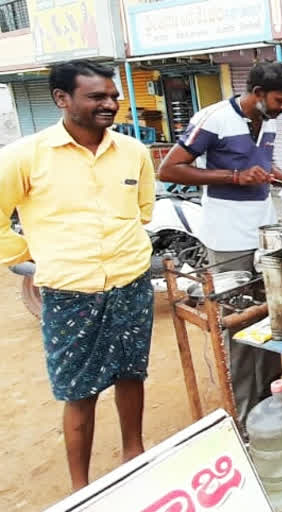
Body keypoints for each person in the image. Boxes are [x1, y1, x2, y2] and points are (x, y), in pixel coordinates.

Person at [0, 60, 156, 490]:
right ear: (62, 99)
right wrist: (31, 251)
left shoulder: (134, 152)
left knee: (130, 373)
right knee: (78, 390)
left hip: (131, 282)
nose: (110, 104)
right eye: (97, 97)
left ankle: (133, 452)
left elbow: (142, 212)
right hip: (70, 293)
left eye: (113, 96)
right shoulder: (23, 156)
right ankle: (80, 486)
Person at [158, 62, 282, 428]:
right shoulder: (213, 119)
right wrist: (234, 176)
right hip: (227, 238)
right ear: (257, 93)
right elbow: (169, 169)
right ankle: (245, 416)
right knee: (238, 326)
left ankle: (271, 401)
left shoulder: (267, 122)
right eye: (280, 100)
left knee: (267, 318)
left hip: (262, 232)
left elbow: (264, 165)